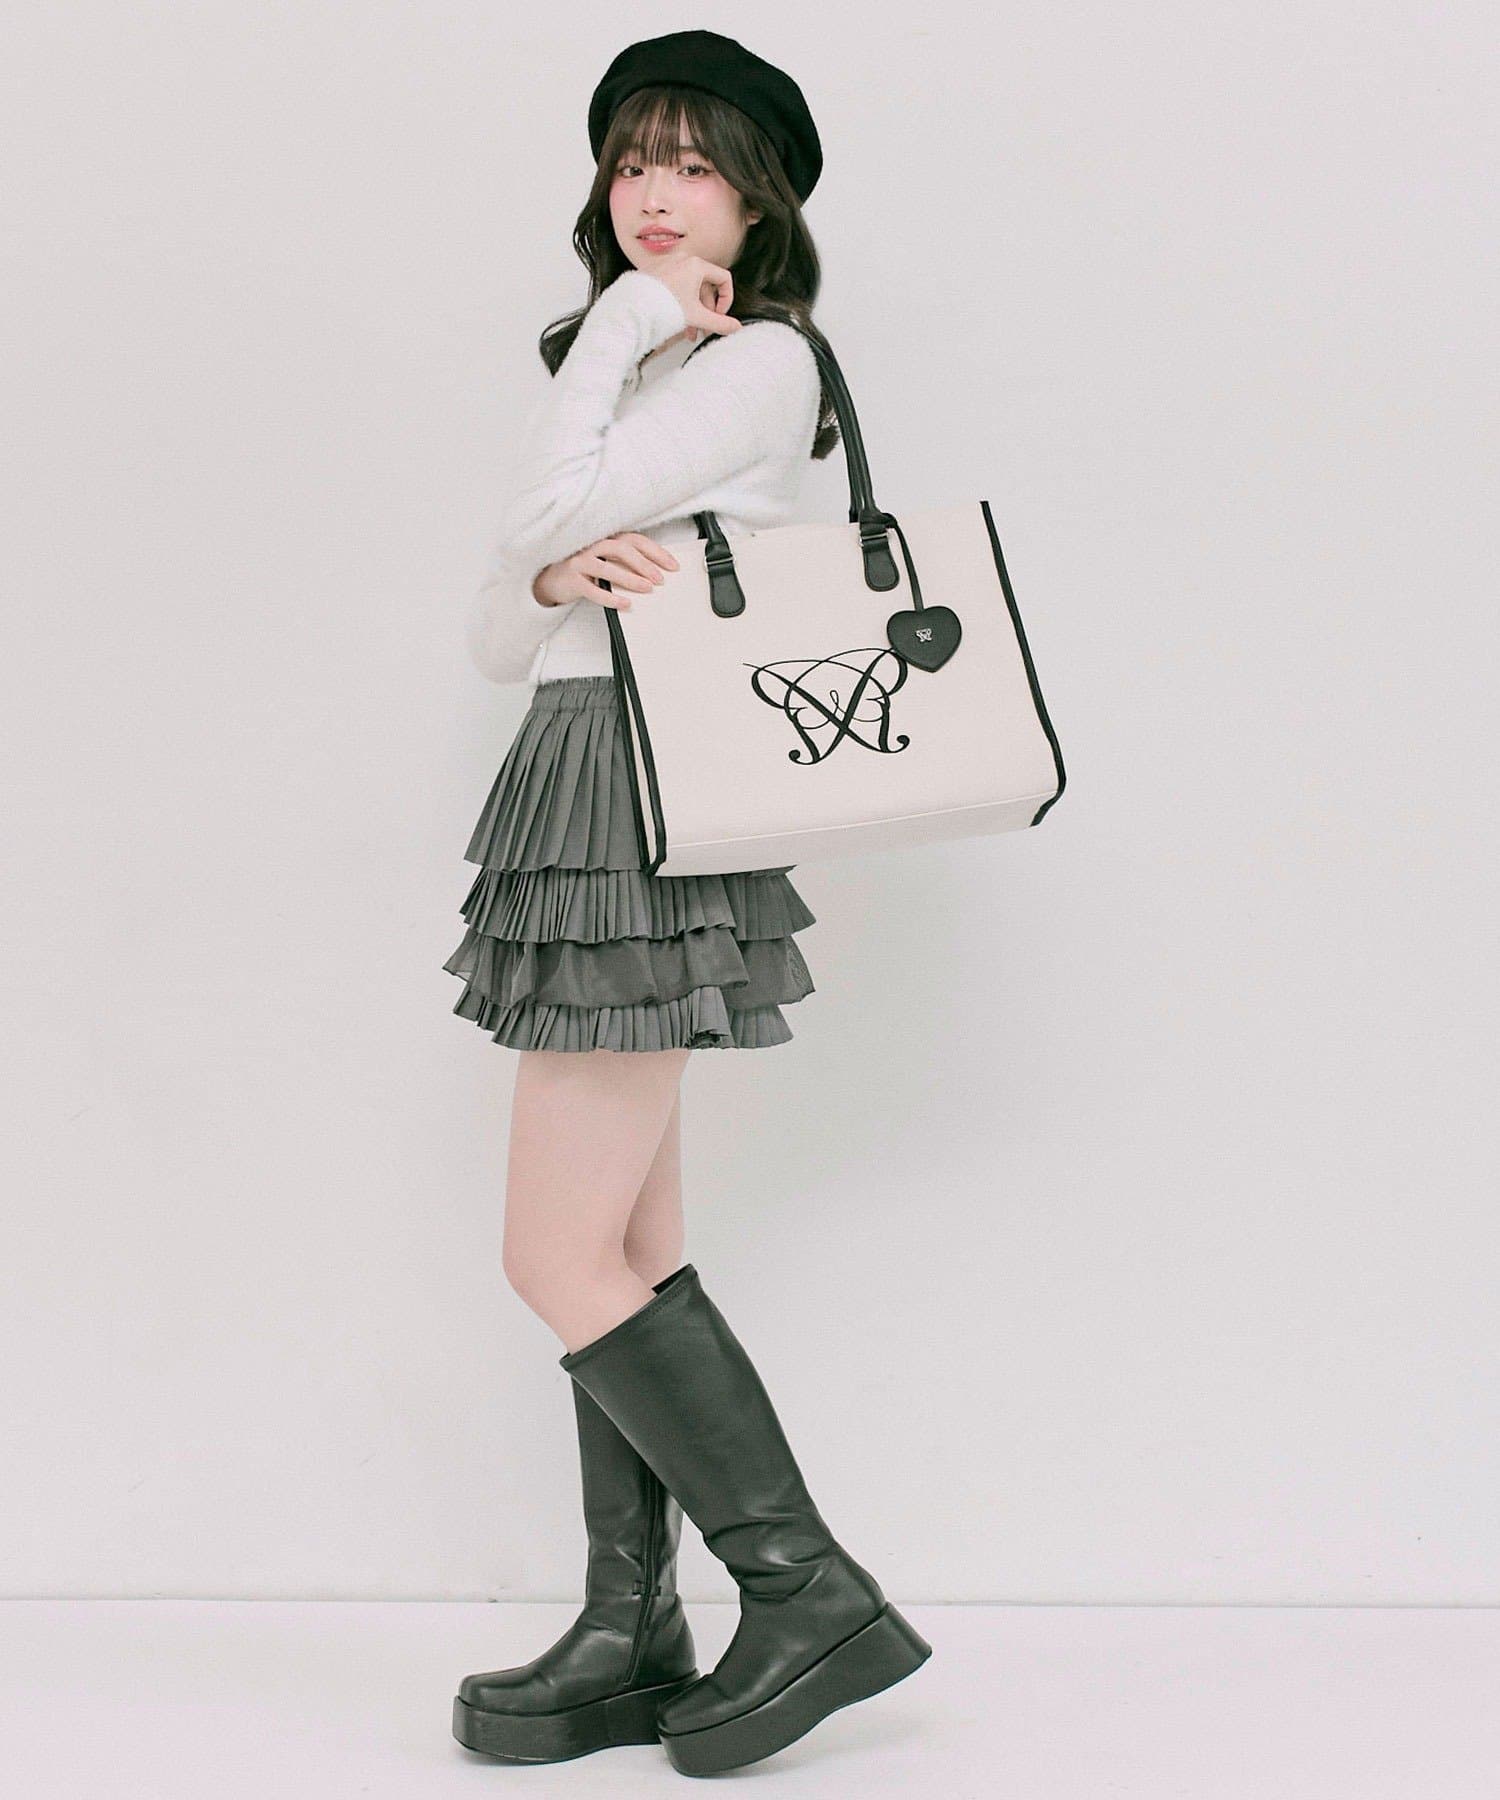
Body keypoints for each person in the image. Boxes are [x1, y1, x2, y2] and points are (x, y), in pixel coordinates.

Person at [445, 31, 930, 1776]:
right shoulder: (644, 372)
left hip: (642, 784)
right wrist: (549, 571)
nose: (655, 190)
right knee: (626, 1253)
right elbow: (498, 615)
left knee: (550, 1253)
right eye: (632, 158)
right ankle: (628, 1624)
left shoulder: (756, 363)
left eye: (696, 163)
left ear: (758, 201)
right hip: (582, 763)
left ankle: (805, 1590)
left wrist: (625, 331)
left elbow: (534, 514)